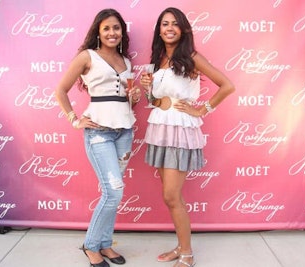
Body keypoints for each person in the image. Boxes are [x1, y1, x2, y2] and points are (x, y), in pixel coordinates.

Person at [140, 7, 235, 267]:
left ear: (183, 29)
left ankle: (188, 255)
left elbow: (227, 85)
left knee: (172, 196)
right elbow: (157, 101)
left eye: (174, 24)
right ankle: (181, 246)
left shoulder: (191, 56)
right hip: (159, 127)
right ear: (159, 30)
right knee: (172, 197)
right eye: (164, 24)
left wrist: (201, 109)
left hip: (181, 129)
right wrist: (149, 91)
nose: (169, 28)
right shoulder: (158, 59)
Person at [55, 8, 141, 267]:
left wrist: (133, 99)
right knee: (113, 192)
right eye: (107, 28)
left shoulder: (127, 61)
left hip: (124, 131)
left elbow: (125, 100)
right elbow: (60, 90)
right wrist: (74, 119)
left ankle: (105, 243)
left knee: (114, 191)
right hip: (98, 132)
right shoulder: (87, 56)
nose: (112, 33)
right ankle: (91, 245)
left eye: (116, 28)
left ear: (121, 32)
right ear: (98, 32)